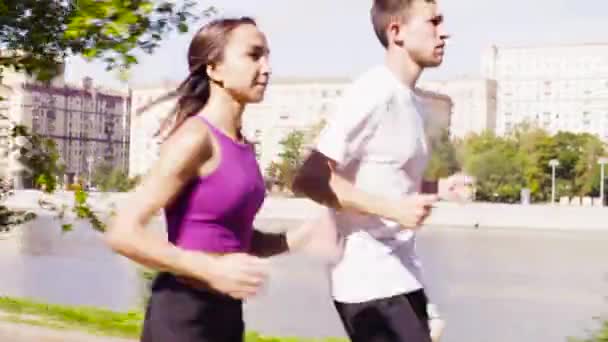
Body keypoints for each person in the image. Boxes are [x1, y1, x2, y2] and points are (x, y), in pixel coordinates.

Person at [105, 16, 312, 342]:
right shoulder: (195, 139)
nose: (267, 68)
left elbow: (234, 239)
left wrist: (303, 237)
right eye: (254, 55)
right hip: (183, 316)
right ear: (214, 69)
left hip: (226, 314)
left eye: (268, 56)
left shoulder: (242, 145)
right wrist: (212, 270)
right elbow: (123, 232)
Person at [292, 0, 457, 341]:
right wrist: (392, 209)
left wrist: (440, 188)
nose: (444, 33)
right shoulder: (372, 92)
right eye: (433, 22)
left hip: (403, 271)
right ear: (396, 32)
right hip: (368, 278)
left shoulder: (413, 101)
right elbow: (310, 178)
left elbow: (389, 179)